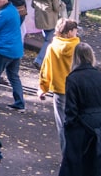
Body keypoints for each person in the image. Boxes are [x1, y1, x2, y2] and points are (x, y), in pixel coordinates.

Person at [59, 43, 101, 176]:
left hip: (82, 129)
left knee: (79, 167)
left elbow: (71, 110)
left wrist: (69, 130)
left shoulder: (73, 79)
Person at [37, 19, 80, 151]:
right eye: (75, 30)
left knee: (62, 124)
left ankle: (66, 154)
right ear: (69, 32)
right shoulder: (78, 48)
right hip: (77, 90)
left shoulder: (52, 47)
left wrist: (43, 87)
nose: (77, 33)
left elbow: (46, 68)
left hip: (60, 90)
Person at [32, 0, 66, 68]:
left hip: (40, 20)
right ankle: (39, 60)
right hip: (51, 21)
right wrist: (62, 6)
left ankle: (47, 58)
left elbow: (33, 5)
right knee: (48, 41)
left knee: (47, 38)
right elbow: (56, 8)